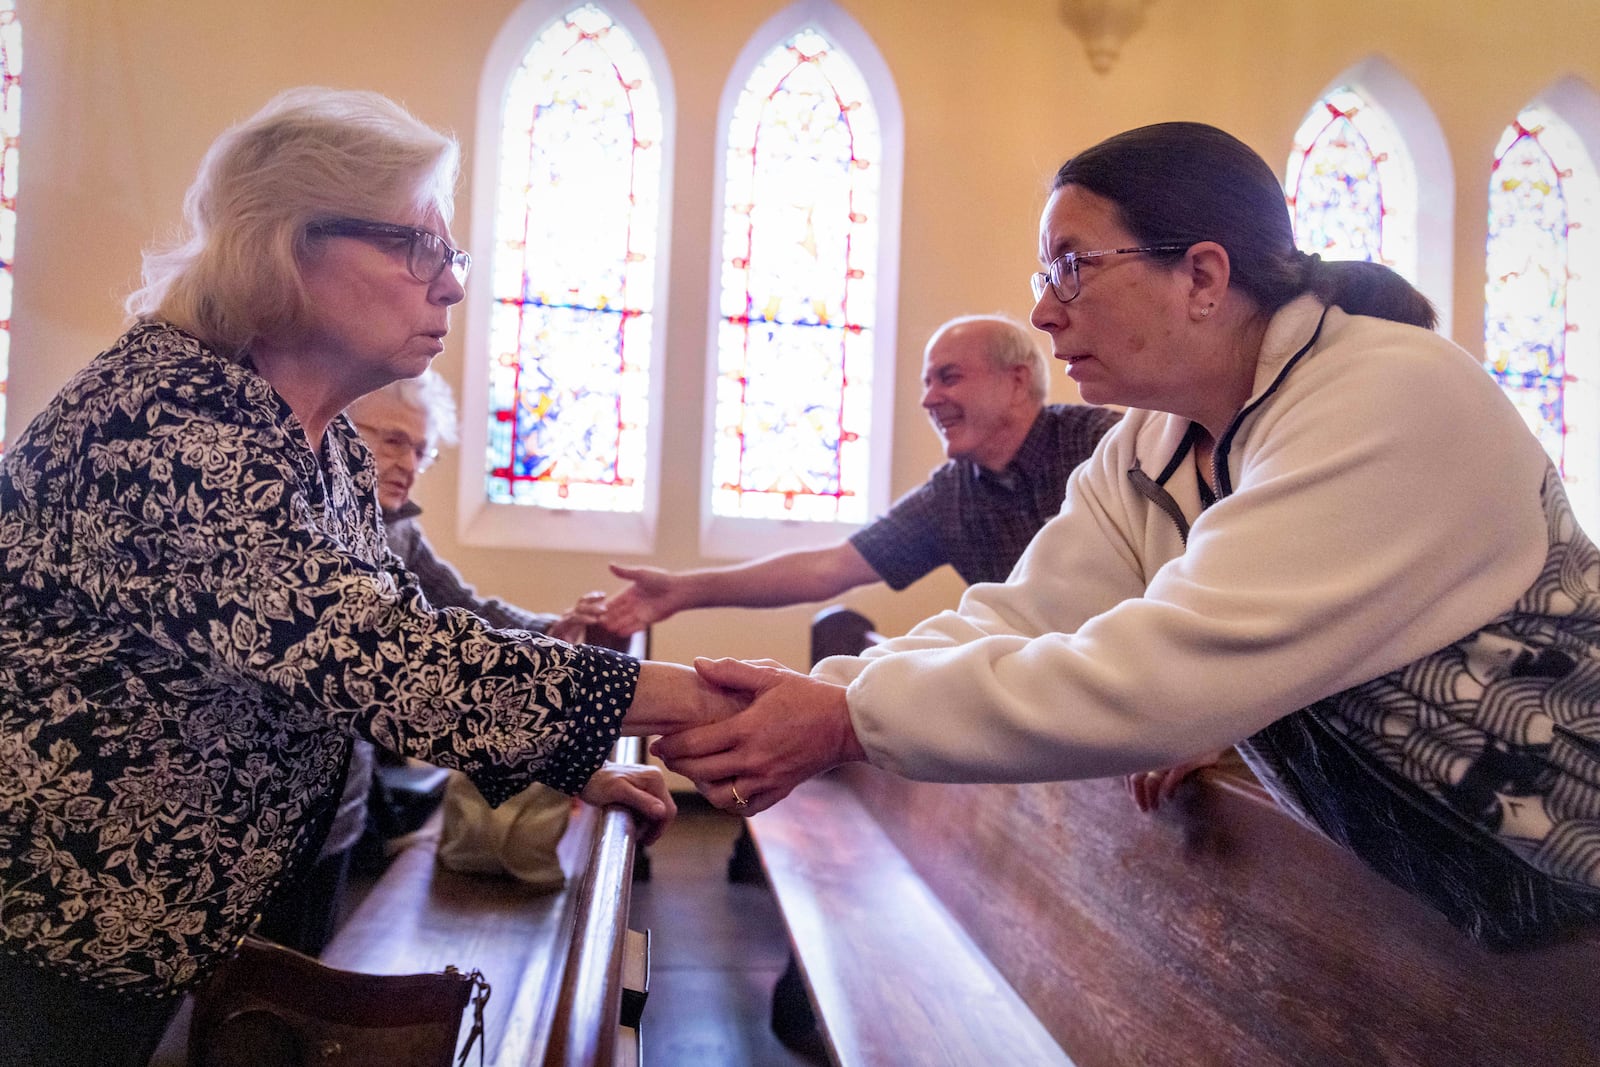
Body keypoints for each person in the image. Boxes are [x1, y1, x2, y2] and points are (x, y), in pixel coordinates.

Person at [655, 121, 1600, 950]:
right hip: (1486, 897)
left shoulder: (1386, 396)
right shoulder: (1155, 438)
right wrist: (821, 695)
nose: (1040, 309)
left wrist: (844, 720)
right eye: (1043, 273)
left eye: (1072, 265)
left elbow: (1156, 676)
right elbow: (1022, 616)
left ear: (1201, 274)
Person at [0, 87, 727, 1064]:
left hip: (241, 917)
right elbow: (381, 658)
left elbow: (394, 620)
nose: (451, 284)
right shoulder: (161, 418)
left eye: (449, 252)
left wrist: (577, 755)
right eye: (415, 246)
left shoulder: (329, 440)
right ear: (286, 243)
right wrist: (711, 702)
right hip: (77, 937)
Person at [257, 372, 610, 951]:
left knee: (305, 956)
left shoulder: (398, 528)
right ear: (336, 426)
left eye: (422, 450)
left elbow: (461, 606)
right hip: (268, 801)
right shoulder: (302, 519)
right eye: (393, 441)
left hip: (342, 797)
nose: (409, 463)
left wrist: (554, 629)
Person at [601, 315, 1121, 634]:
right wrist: (684, 592)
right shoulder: (954, 493)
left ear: (1016, 382)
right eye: (926, 382)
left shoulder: (1100, 443)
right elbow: (830, 568)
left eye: (949, 378)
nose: (928, 399)